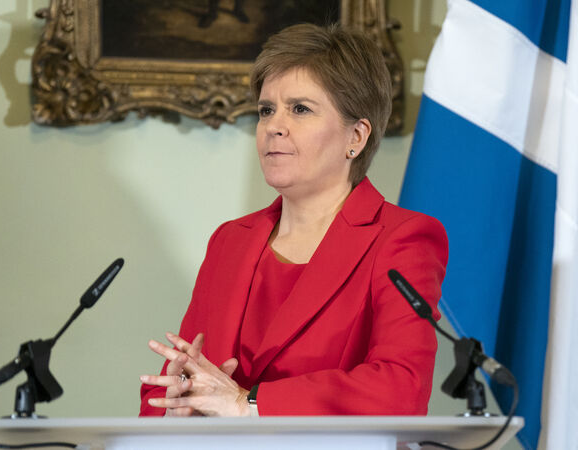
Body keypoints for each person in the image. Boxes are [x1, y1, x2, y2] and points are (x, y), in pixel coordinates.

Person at [139, 23, 448, 417]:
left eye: (300, 109)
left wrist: (247, 405)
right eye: (266, 110)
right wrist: (179, 408)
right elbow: (176, 389)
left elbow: (401, 390)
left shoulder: (402, 238)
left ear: (356, 136)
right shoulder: (230, 240)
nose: (274, 126)